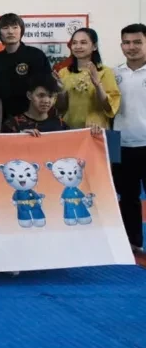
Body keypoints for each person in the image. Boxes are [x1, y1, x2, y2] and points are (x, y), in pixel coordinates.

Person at [112, 23, 146, 252]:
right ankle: (132, 244)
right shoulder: (113, 74)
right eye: (126, 42)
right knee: (127, 197)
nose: (131, 47)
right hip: (119, 143)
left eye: (137, 42)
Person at [0, 13, 52, 122]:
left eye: (15, 27)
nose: (10, 31)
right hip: (6, 121)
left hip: (35, 119)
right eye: (5, 28)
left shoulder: (36, 55)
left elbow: (46, 90)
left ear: (21, 30)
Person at [55, 27, 121, 129]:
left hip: (96, 130)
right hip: (69, 129)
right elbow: (60, 109)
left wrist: (98, 85)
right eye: (74, 43)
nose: (78, 46)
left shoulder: (105, 72)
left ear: (94, 46)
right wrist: (61, 92)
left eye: (83, 42)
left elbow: (109, 108)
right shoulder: (64, 72)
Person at [2, 77, 69, 135]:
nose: (46, 101)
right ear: (29, 95)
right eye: (41, 95)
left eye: (50, 96)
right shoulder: (13, 125)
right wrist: (19, 137)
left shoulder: (61, 126)